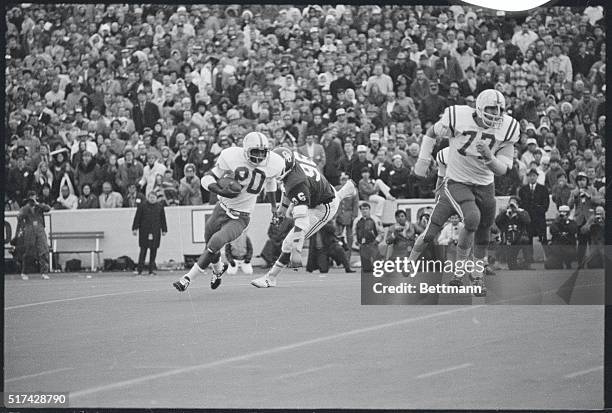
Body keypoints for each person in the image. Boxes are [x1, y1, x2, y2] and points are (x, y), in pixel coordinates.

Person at [413, 89, 520, 295]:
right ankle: (456, 273)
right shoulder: (457, 117)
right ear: (479, 107)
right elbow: (431, 133)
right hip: (458, 181)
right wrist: (424, 159)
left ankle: (477, 277)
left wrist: (490, 157)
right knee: (471, 219)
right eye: (491, 108)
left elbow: (503, 169)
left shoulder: (508, 128)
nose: (496, 113)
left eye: (499, 109)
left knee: (484, 232)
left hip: (485, 184)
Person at [174, 132, 285, 292]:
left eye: (263, 152)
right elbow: (208, 177)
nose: (260, 156)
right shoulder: (231, 155)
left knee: (216, 241)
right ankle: (218, 269)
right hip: (222, 207)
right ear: (246, 150)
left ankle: (187, 279)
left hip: (241, 217)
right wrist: (217, 188)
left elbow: (271, 180)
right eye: (255, 152)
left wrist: (274, 207)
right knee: (209, 243)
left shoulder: (274, 163)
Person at [251, 148, 357, 288]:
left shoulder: (296, 183)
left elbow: (302, 221)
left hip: (322, 207)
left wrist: (297, 250)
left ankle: (271, 277)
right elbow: (286, 186)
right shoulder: (292, 159)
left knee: (288, 242)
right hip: (318, 190)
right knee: (291, 221)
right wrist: (282, 209)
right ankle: (343, 192)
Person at [518, 168, 550, 266]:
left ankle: (549, 258)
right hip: (528, 219)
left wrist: (538, 210)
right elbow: (521, 204)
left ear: (537, 177)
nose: (532, 177)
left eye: (534, 175)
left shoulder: (543, 189)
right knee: (528, 239)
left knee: (543, 239)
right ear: (527, 177)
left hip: (539, 218)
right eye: (530, 176)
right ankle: (529, 259)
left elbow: (546, 204)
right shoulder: (523, 189)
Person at [132, 191, 168, 275]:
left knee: (154, 250)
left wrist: (164, 230)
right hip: (144, 231)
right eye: (150, 197)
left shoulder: (160, 206)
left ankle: (151, 270)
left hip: (155, 231)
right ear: (148, 197)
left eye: (153, 197)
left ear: (156, 198)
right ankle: (139, 270)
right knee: (143, 250)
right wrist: (135, 228)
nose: (152, 199)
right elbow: (137, 217)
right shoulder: (142, 206)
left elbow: (163, 219)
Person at [495, 197, 531, 270]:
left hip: (519, 239)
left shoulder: (523, 212)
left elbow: (527, 221)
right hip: (509, 241)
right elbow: (497, 222)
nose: (512, 205)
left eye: (514, 203)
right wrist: (504, 212)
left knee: (525, 240)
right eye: (510, 203)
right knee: (512, 266)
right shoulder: (506, 213)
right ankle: (517, 264)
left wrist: (517, 211)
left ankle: (527, 262)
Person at [353, 203, 384, 273]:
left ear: (369, 210)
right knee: (366, 269)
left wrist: (376, 241)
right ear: (360, 210)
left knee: (377, 267)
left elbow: (381, 233)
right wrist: (356, 241)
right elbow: (354, 233)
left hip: (373, 244)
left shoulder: (376, 219)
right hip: (363, 246)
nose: (364, 211)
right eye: (363, 209)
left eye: (366, 209)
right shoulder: (357, 220)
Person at [546, 205, 578, 269]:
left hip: (568, 245)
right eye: (561, 212)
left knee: (570, 252)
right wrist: (558, 221)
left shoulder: (572, 222)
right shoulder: (556, 222)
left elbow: (574, 230)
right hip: (558, 245)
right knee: (551, 265)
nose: (563, 214)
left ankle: (568, 263)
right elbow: (553, 230)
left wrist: (568, 222)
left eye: (565, 212)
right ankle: (558, 262)